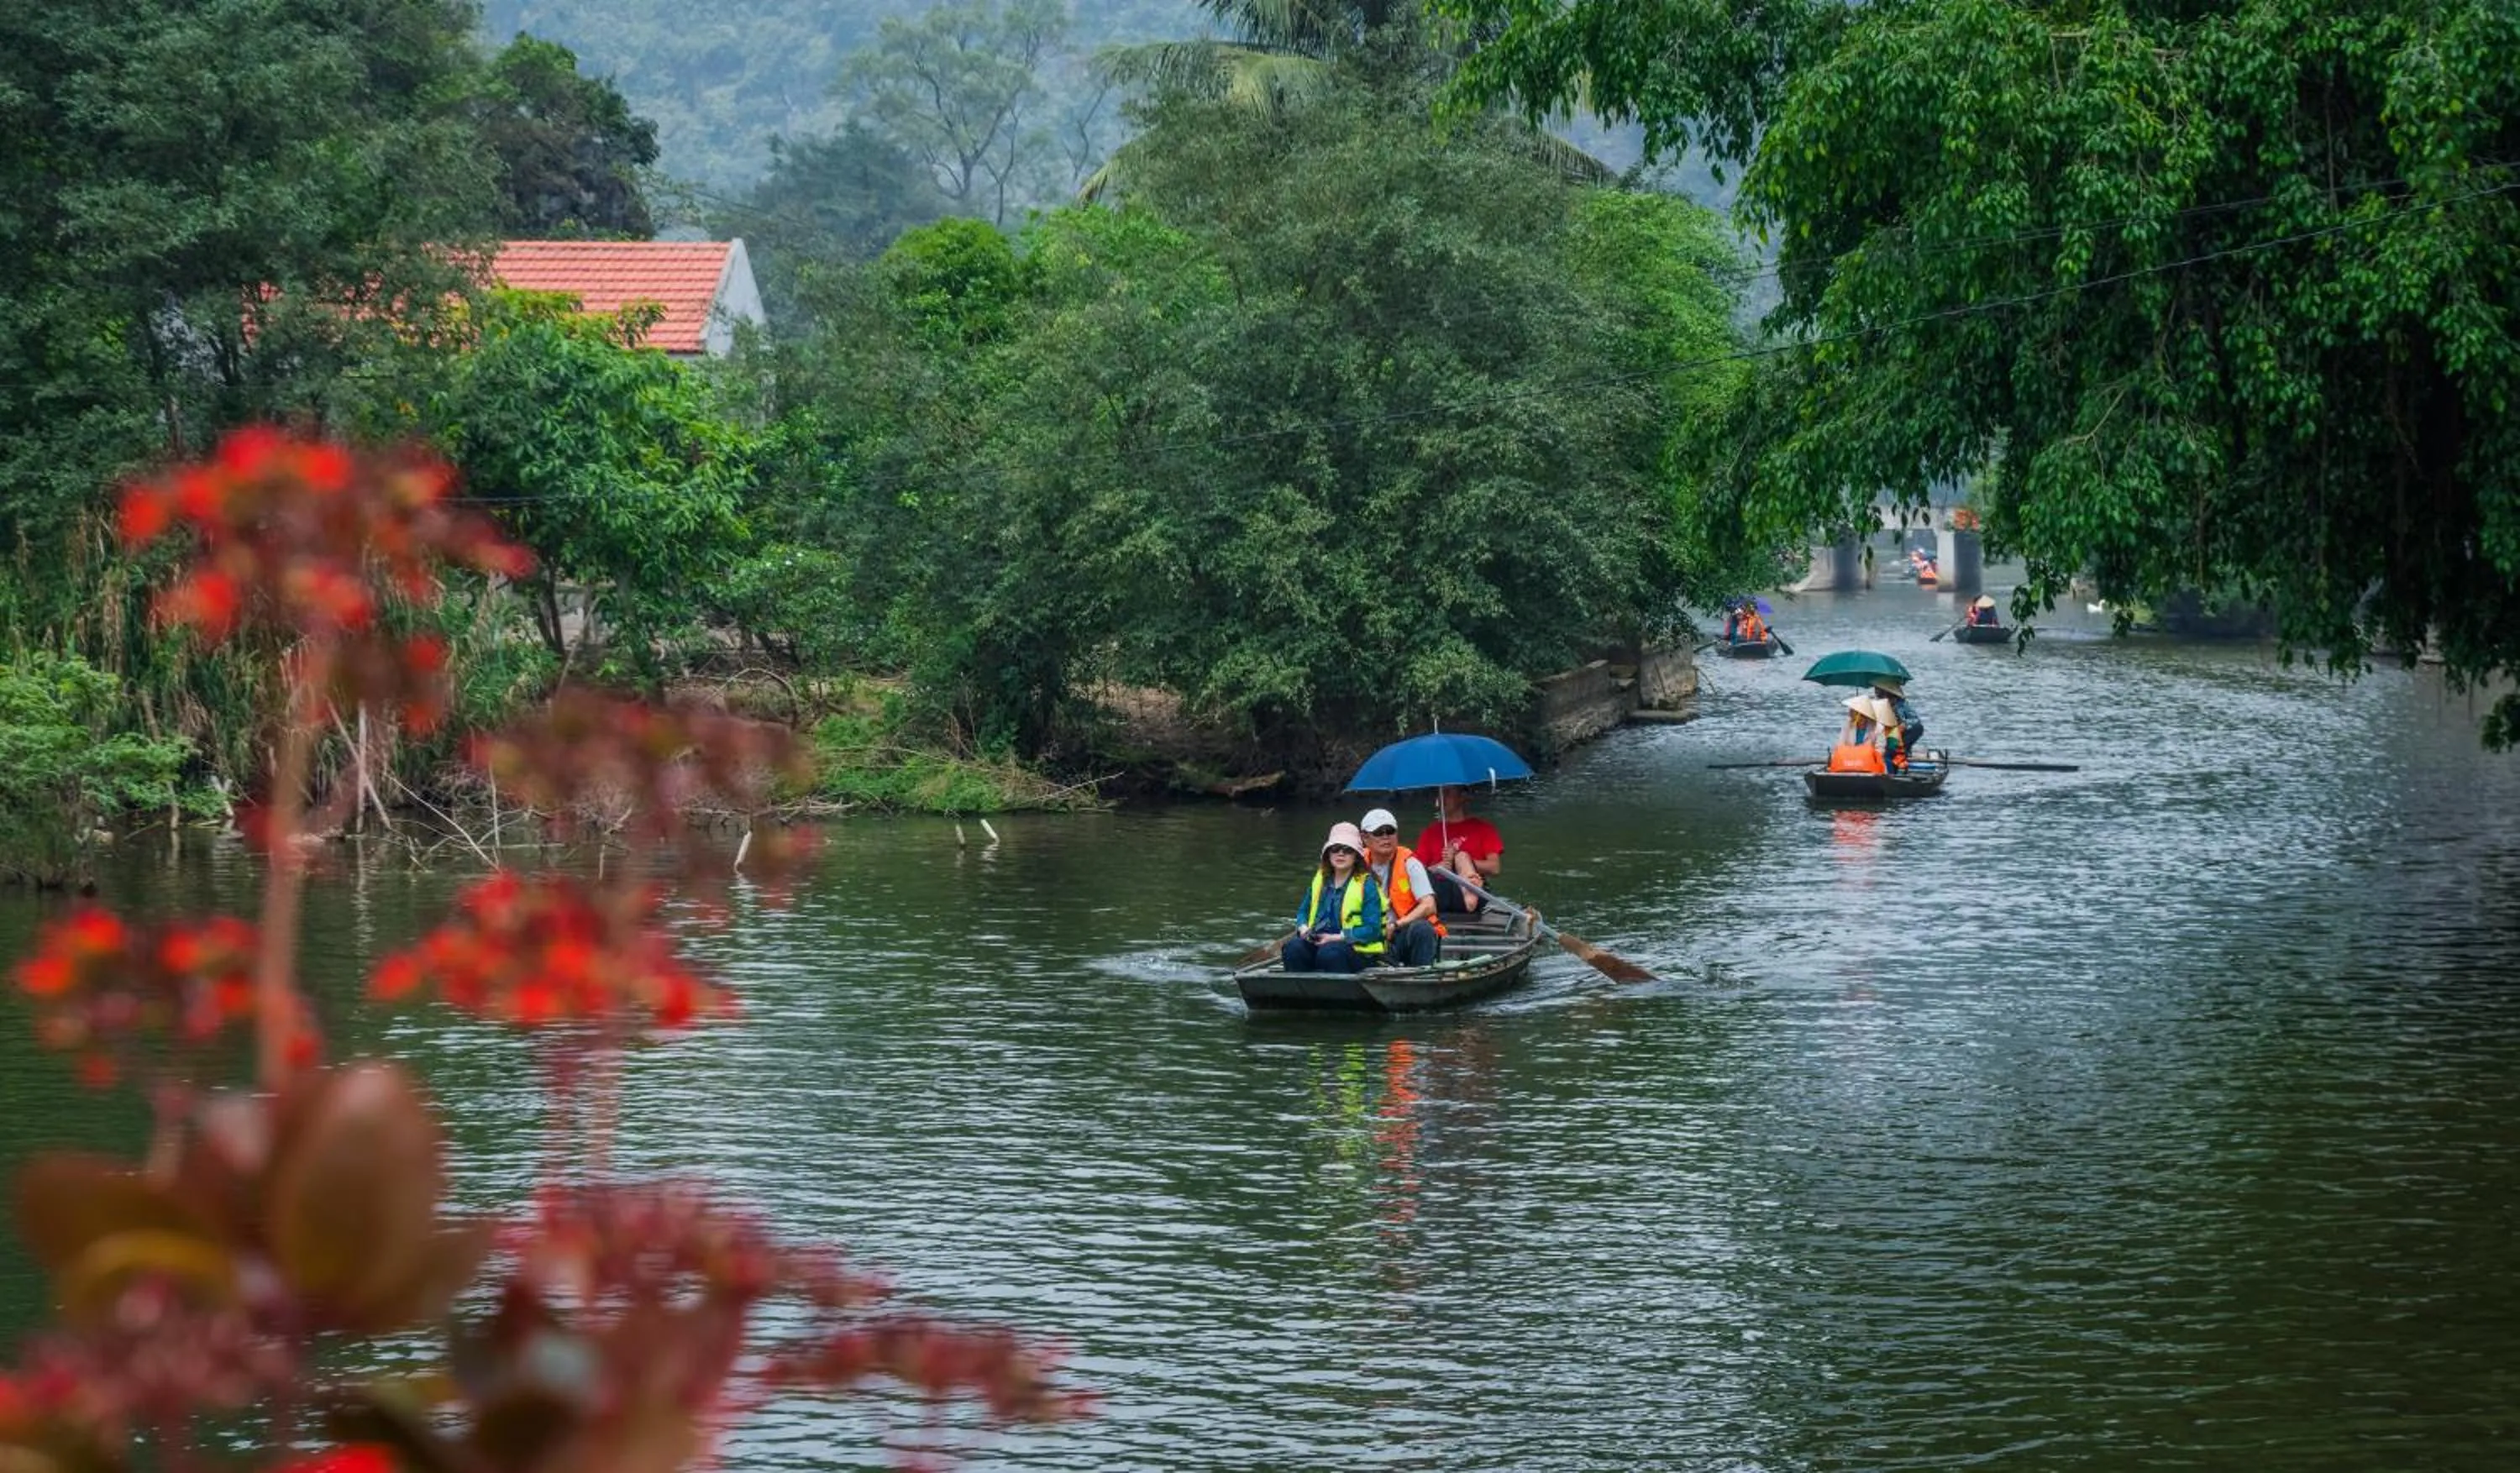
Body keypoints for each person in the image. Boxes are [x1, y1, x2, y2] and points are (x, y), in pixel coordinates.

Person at [1281, 822, 1386, 973]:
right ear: (1328, 853)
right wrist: (1304, 930)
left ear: (1356, 856)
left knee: (1329, 953)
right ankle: (1299, 991)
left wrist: (1337, 938)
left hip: (1356, 950)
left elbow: (1372, 929)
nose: (1340, 854)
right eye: (1335, 849)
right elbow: (1303, 913)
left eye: (1347, 850)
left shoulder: (1367, 885)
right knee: (1293, 948)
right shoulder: (1320, 879)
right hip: (1319, 942)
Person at [1359, 806, 1441, 967]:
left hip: (1401, 931)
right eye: (1378, 833)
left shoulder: (1410, 863)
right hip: (1368, 933)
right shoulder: (1356, 864)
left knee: (1423, 929)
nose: (1385, 837)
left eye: (1390, 831)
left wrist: (1397, 924)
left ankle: (1421, 977)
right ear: (1365, 837)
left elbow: (1429, 905)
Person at [1411, 784, 1503, 916]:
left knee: (1462, 857)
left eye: (1447, 793)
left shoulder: (1484, 829)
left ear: (1463, 797)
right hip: (1439, 890)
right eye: (1440, 794)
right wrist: (1440, 867)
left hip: (1475, 890)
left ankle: (1469, 892)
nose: (1442, 799)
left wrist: (1459, 860)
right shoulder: (1430, 833)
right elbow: (1416, 871)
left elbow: (1495, 868)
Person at [1872, 677, 1924, 753]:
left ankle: (1901, 751)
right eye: (1882, 694)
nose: (1886, 697)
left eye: (1888, 695)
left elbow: (1915, 720)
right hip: (1882, 734)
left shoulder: (1902, 705)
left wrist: (1904, 724)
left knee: (1918, 728)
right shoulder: (1877, 705)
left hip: (1898, 734)